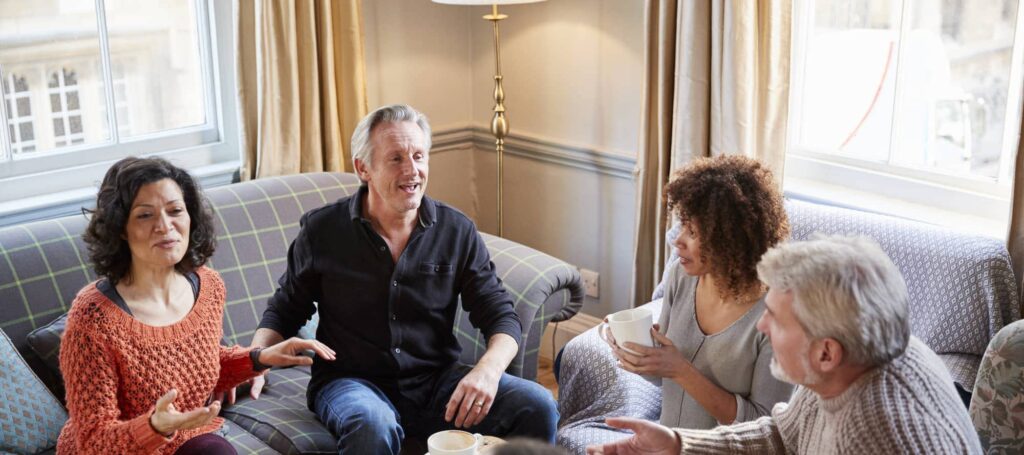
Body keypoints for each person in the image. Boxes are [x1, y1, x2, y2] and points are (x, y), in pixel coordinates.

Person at [249, 104, 558, 453]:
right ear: (363, 168)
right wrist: (254, 361)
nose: (412, 170)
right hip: (351, 382)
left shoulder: (456, 230)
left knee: (538, 405)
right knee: (372, 424)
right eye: (396, 158)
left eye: (418, 156)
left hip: (437, 382)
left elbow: (500, 315)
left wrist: (488, 370)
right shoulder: (322, 231)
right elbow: (285, 309)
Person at [587, 235, 983, 454]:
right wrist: (678, 444)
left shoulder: (874, 437)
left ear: (826, 352)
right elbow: (783, 436)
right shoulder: (856, 361)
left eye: (775, 317)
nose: (761, 324)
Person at [57, 157, 335, 455]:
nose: (165, 226)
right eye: (145, 215)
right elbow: (93, 441)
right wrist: (154, 427)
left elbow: (199, 365)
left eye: (175, 211)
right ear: (121, 228)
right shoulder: (93, 318)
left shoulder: (207, 287)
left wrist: (259, 358)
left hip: (186, 441)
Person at [557, 156, 794, 452]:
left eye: (693, 232)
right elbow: (665, 378)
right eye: (682, 226)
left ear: (731, 239)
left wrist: (681, 370)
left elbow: (767, 433)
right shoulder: (682, 277)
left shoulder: (777, 316)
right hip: (668, 446)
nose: (677, 241)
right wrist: (639, 354)